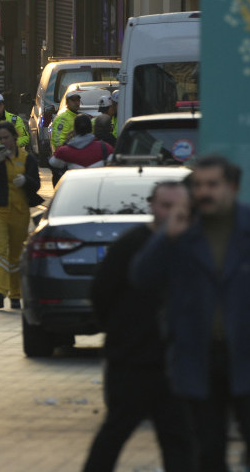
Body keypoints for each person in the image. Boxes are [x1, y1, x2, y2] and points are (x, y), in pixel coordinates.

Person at [130, 156, 250, 472]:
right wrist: (165, 237)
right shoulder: (183, 230)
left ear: (231, 187)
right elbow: (141, 278)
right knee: (208, 452)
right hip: (197, 359)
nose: (204, 192)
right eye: (198, 185)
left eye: (212, 184)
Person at [82, 181, 196, 472]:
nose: (171, 213)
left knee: (178, 439)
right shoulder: (130, 245)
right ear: (152, 206)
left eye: (178, 206)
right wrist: (121, 333)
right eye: (165, 205)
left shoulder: (193, 244)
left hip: (174, 363)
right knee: (116, 431)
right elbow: (101, 293)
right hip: (131, 361)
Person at [0, 121, 42, 310]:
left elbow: (36, 184)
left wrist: (26, 180)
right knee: (0, 251)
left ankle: (16, 295)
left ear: (14, 137)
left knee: (16, 255)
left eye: (6, 137)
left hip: (19, 211)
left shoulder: (27, 158)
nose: (3, 142)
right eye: (0, 138)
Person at [49, 92, 82, 184]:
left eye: (78, 100)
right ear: (67, 102)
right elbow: (57, 141)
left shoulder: (77, 116)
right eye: (73, 100)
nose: (76, 103)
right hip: (64, 164)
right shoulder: (63, 119)